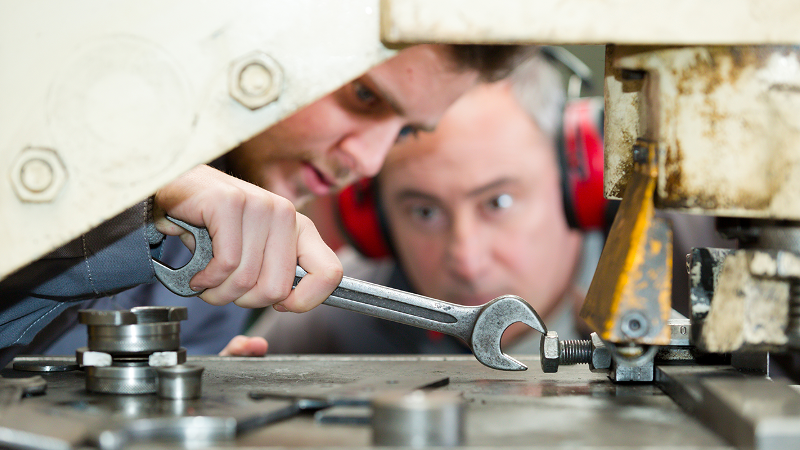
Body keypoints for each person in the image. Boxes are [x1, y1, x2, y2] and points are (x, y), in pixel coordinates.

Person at [3, 43, 523, 361]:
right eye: (363, 97)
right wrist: (138, 209)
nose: (369, 161)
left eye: (405, 129)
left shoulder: (226, 259)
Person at [234, 52, 599, 356]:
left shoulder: (652, 291)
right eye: (425, 212)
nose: (467, 261)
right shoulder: (324, 313)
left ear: (579, 188)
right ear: (373, 219)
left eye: (498, 202)